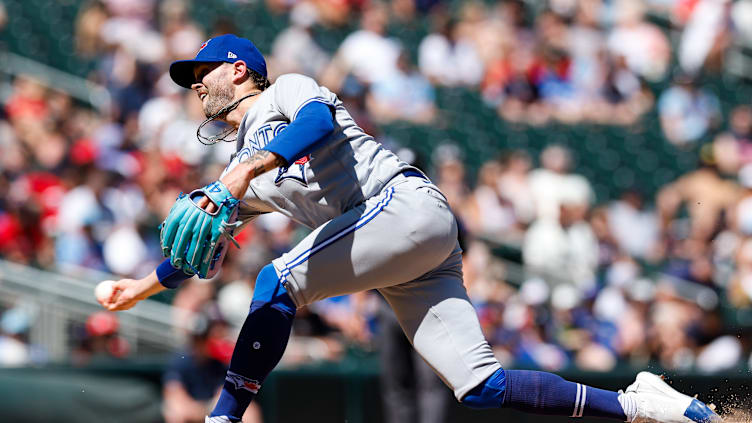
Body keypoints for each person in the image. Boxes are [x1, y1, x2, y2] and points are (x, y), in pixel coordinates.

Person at [99, 34, 721, 423]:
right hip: (398, 252)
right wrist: (140, 287)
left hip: (401, 206)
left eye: (201, 72)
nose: (194, 84)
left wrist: (241, 177)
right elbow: (196, 247)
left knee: (277, 279)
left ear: (238, 70)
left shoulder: (284, 90)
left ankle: (223, 420)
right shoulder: (237, 172)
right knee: (480, 387)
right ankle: (643, 403)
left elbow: (315, 126)